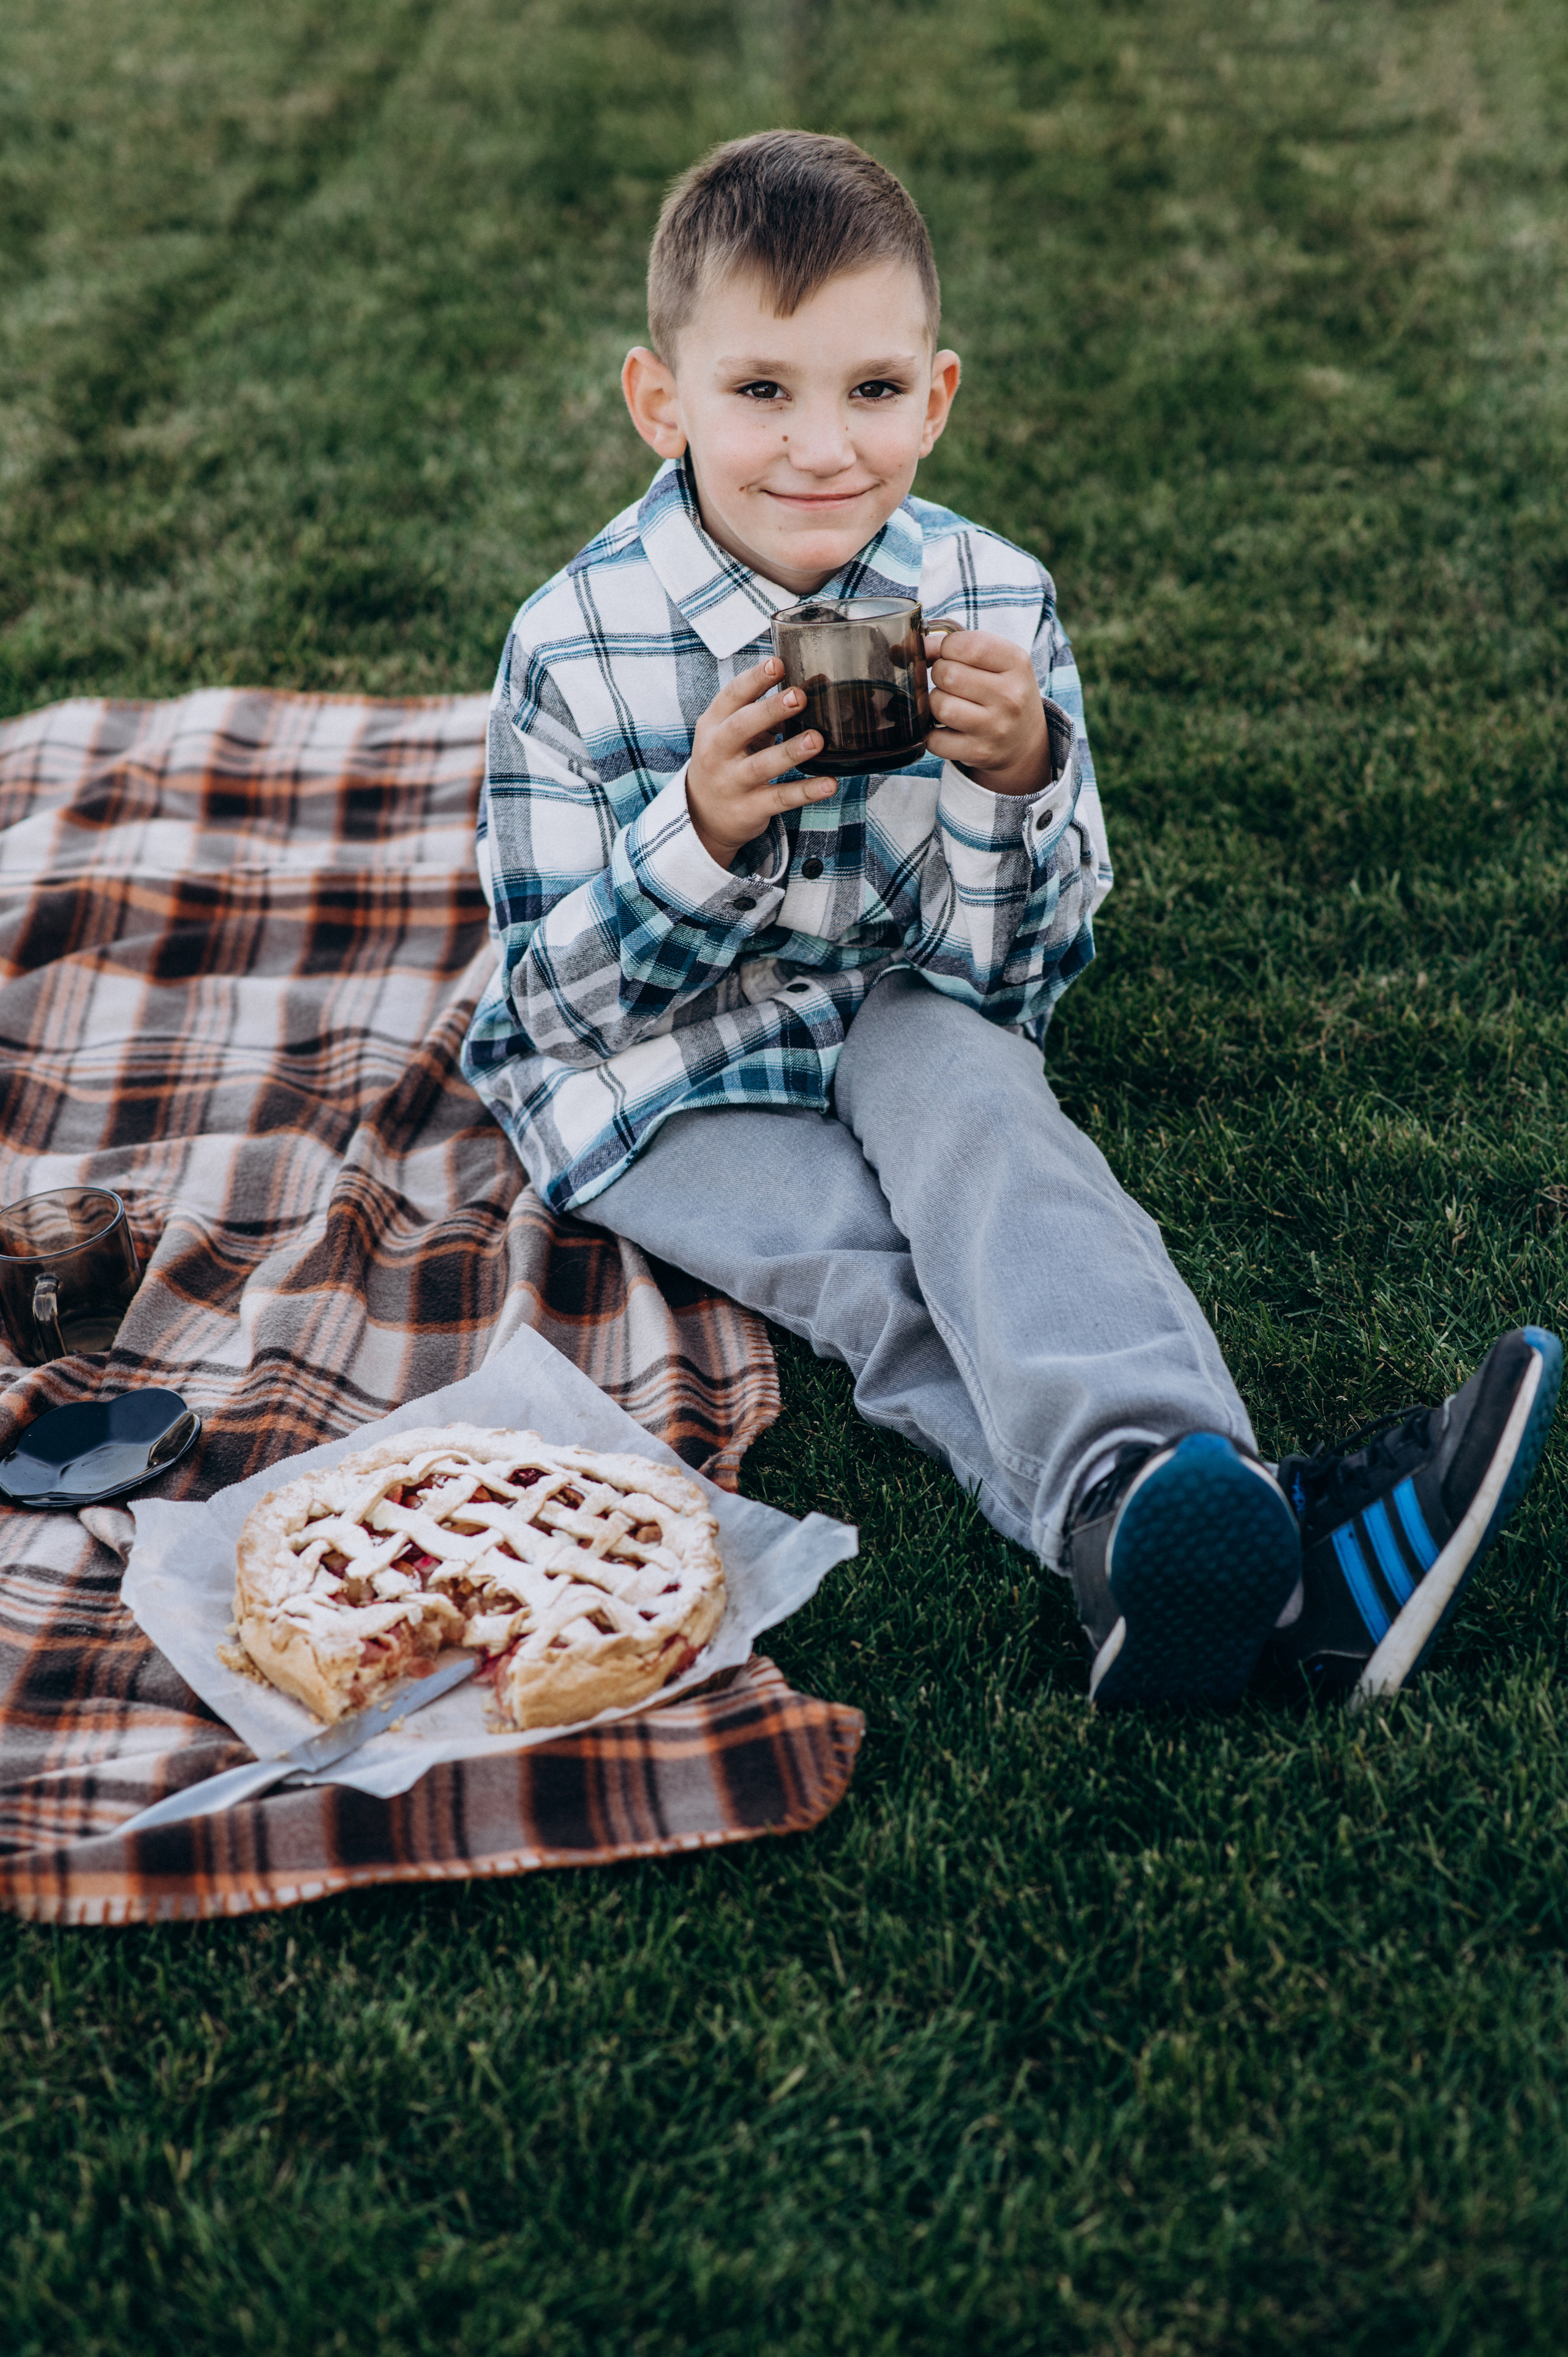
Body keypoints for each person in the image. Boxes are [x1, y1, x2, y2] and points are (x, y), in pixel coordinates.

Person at [462, 130, 1561, 1710]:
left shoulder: (995, 600)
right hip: (667, 1080)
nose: (823, 448)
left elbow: (1024, 977)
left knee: (991, 1139)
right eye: (762, 390)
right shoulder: (575, 644)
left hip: (906, 1003)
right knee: (871, 1272)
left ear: (939, 394)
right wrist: (697, 835)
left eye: (874, 390)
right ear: (664, 401)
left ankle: (1172, 1530)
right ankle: (1220, 1526)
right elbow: (558, 1015)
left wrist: (1020, 774)